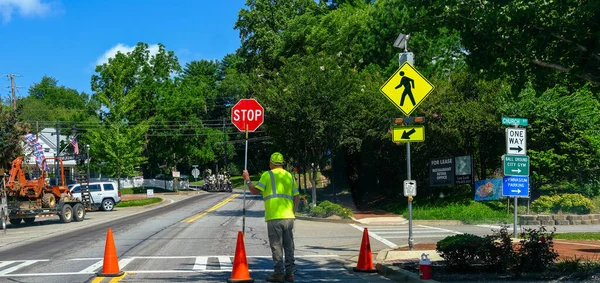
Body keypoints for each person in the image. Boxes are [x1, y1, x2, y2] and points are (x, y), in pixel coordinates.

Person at [242, 152, 300, 282]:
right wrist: (293, 212)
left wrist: (247, 179)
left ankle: (278, 274)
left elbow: (254, 191)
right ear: (282, 163)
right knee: (289, 246)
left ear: (271, 163)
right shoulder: (289, 176)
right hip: (288, 217)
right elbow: (296, 197)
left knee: (276, 246)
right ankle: (290, 273)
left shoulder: (267, 175)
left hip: (274, 217)